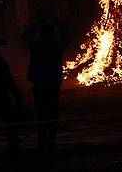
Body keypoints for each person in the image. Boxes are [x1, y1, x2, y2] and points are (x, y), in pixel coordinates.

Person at [23, 17, 71, 148]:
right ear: (52, 32)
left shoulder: (35, 45)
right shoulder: (57, 45)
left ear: (41, 32)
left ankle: (41, 139)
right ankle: (52, 139)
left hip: (38, 82)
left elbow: (25, 35)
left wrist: (37, 22)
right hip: (53, 82)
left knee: (41, 112)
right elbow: (68, 35)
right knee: (52, 112)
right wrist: (57, 21)